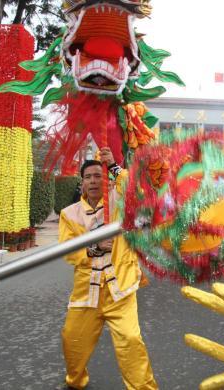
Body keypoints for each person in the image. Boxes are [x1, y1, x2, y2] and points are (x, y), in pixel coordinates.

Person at [59, 148, 157, 390]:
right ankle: (76, 380)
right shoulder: (69, 214)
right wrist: (93, 248)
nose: (93, 181)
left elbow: (138, 191)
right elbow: (68, 250)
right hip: (86, 295)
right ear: (81, 183)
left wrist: (113, 166)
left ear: (106, 179)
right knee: (72, 341)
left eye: (98, 175)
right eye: (88, 177)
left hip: (120, 291)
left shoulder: (119, 202)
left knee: (131, 341)